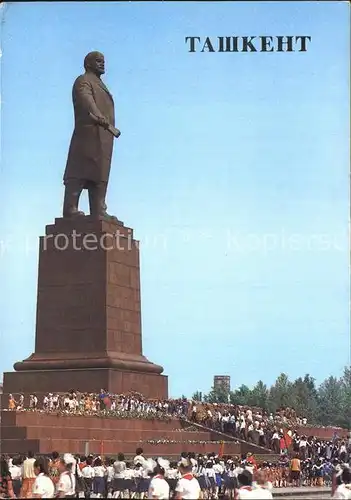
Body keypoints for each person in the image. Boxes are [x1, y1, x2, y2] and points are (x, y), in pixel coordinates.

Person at [63, 51, 120, 219]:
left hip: (104, 136)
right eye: (98, 61)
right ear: (88, 64)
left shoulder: (100, 84)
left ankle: (99, 209)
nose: (102, 63)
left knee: (100, 173)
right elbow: (86, 101)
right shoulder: (83, 81)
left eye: (103, 61)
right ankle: (70, 209)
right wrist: (99, 116)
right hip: (88, 133)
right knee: (80, 170)